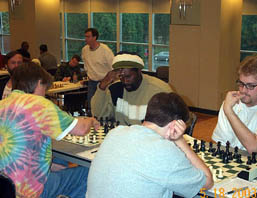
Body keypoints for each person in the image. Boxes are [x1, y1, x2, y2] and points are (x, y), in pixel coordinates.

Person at [0, 62, 100, 198]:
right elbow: (81, 129)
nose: (45, 93)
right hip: (28, 191)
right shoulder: (39, 104)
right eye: (45, 88)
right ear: (39, 82)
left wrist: (50, 166)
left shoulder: (3, 104)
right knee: (89, 172)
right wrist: (91, 120)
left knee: (60, 162)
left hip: (5, 187)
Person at [87, 92, 213, 198]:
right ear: (175, 125)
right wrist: (180, 140)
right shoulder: (165, 151)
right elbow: (207, 181)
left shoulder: (115, 132)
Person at [91, 51, 173, 125]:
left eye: (128, 76)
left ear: (139, 71)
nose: (125, 81)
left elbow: (174, 123)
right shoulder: (115, 88)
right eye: (121, 77)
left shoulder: (160, 90)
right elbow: (98, 115)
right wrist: (102, 86)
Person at [81, 28, 114, 111]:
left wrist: (109, 80)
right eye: (85, 37)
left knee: (104, 106)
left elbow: (113, 67)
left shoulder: (105, 50)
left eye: (88, 37)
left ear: (94, 37)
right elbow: (85, 63)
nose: (86, 39)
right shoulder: (85, 50)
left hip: (105, 81)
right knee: (91, 105)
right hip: (92, 82)